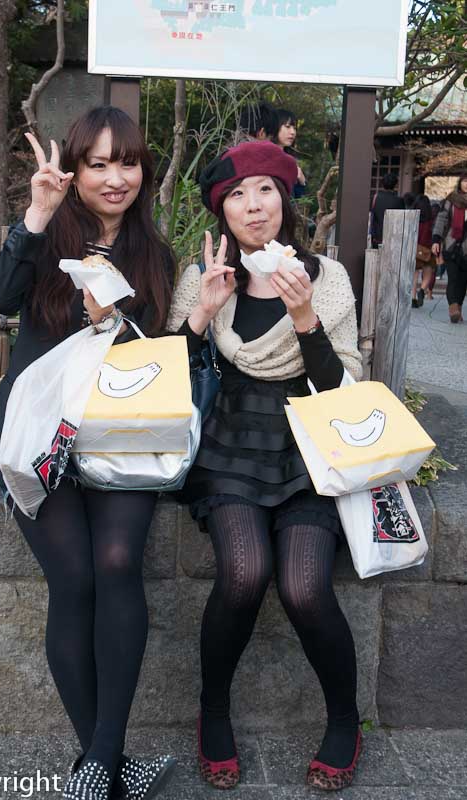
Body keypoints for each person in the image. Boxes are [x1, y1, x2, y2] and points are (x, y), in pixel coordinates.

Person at [0, 106, 191, 800]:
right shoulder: (47, 235)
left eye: (125, 162)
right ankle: (104, 763)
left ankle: (99, 762)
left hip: (122, 437)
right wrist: (37, 214)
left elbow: (152, 359)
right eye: (96, 163)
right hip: (40, 436)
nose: (114, 177)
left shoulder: (154, 253)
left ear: (142, 172)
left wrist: (117, 322)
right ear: (73, 168)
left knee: (119, 562)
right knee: (73, 583)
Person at [167, 140, 363, 792]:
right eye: (235, 195)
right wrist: (202, 312)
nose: (252, 207)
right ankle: (212, 711)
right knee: (245, 572)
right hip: (228, 450)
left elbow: (340, 392)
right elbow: (165, 375)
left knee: (305, 586)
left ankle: (344, 721)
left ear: (285, 198)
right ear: (220, 210)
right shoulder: (204, 274)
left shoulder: (325, 278)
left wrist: (304, 316)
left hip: (308, 449)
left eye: (264, 190)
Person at [432, 173, 467, 323]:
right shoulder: (451, 200)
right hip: (451, 244)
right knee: (453, 278)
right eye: (465, 181)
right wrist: (436, 240)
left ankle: (458, 307)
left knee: (463, 281)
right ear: (460, 182)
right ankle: (453, 307)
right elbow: (441, 219)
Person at [274, 107, 307, 199]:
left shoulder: (290, 159)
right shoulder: (264, 157)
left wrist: (302, 181)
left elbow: (298, 200)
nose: (293, 132)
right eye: (287, 127)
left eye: (294, 128)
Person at [411, 194, 435, 308]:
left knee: (414, 273)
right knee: (428, 271)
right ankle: (423, 289)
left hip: (415, 248)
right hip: (427, 249)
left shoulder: (413, 217)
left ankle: (413, 297)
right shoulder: (431, 218)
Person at [370, 173, 405, 248]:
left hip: (377, 238)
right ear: (395, 185)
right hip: (393, 238)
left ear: (382, 184)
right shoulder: (399, 201)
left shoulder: (375, 198)